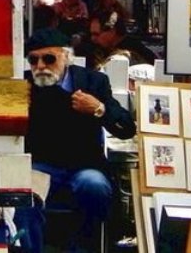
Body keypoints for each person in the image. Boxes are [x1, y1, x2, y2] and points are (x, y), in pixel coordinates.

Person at [14, 28, 136, 253]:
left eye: (48, 58)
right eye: (33, 60)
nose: (40, 66)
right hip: (40, 165)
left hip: (84, 165)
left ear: (66, 57)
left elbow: (126, 128)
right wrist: (16, 110)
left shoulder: (93, 81)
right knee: (23, 193)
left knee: (94, 186)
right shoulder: (24, 85)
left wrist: (98, 108)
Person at [83, 12, 157, 68]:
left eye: (96, 34)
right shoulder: (94, 48)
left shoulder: (136, 50)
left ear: (112, 32)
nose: (93, 38)